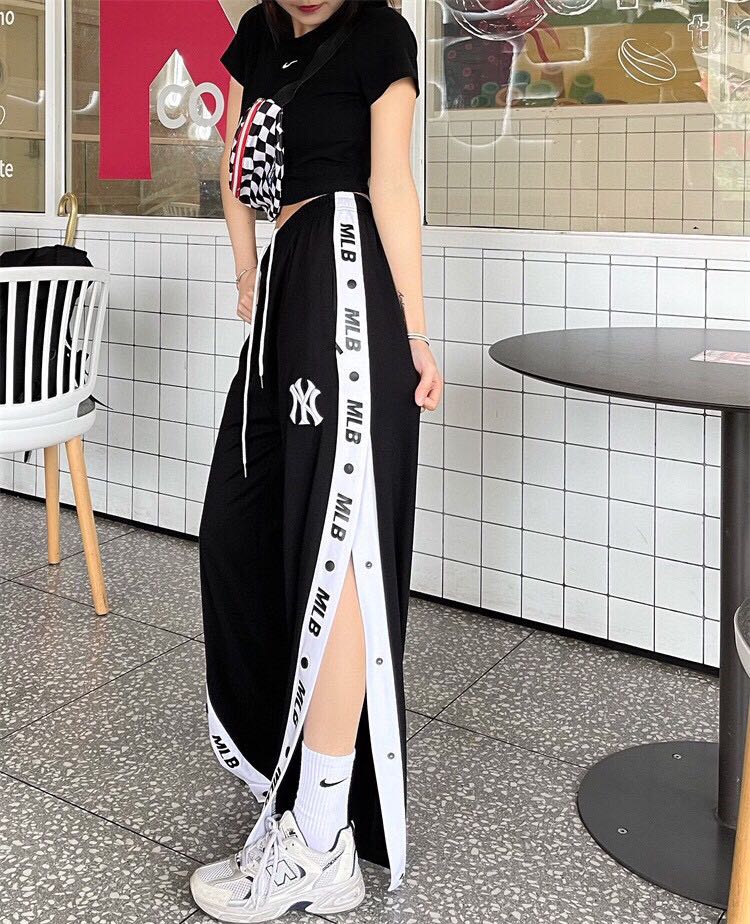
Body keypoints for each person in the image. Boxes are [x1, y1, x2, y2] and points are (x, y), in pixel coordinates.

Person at [192, 1, 442, 920]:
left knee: (339, 546)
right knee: (238, 527)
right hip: (288, 278)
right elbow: (235, 166)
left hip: (346, 276)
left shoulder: (380, 36)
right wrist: (247, 267)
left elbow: (392, 183)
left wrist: (414, 331)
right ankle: (288, 776)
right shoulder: (258, 38)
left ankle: (323, 839)